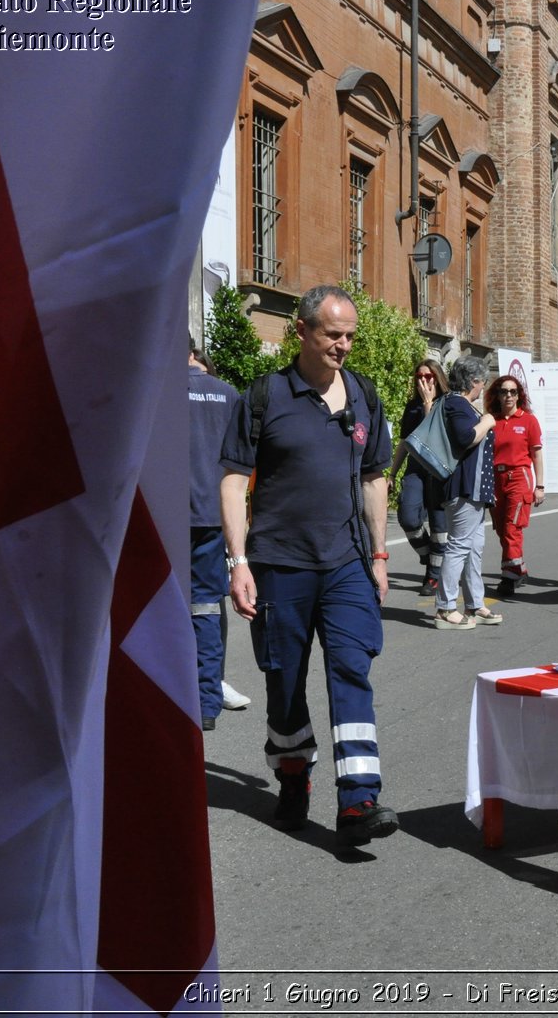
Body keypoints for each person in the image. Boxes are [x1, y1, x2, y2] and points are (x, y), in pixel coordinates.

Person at [218, 284, 398, 846]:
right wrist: (239, 560)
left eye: (350, 336)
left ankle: (358, 799)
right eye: (333, 335)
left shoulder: (365, 395)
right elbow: (231, 479)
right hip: (279, 564)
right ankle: (293, 774)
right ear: (302, 331)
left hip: (346, 561)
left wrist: (379, 552)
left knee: (351, 668)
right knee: (284, 682)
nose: (344, 346)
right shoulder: (265, 396)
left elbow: (374, 477)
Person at [188, 342, 248, 731]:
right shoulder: (228, 394)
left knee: (165, 608)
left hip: (168, 516)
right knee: (207, 608)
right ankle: (207, 701)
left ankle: (173, 692)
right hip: (214, 514)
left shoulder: (159, 392)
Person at [433, 357, 500, 629]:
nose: (483, 388)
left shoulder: (458, 404)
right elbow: (464, 438)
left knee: (474, 548)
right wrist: (487, 422)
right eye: (482, 382)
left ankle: (474, 603)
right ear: (474, 382)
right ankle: (445, 608)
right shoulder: (457, 404)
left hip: (472, 489)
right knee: (459, 546)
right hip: (464, 488)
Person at [388, 359, 449, 596]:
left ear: (438, 377)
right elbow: (405, 442)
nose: (423, 381)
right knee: (408, 517)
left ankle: (433, 577)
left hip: (440, 472)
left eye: (429, 376)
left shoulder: (447, 403)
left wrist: (428, 404)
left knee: (439, 526)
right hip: (416, 468)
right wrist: (392, 473)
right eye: (419, 377)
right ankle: (428, 556)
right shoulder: (412, 406)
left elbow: (435, 434)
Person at [484, 373, 544, 597]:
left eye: (513, 391)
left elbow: (536, 455)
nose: (508, 395)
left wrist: (540, 486)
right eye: (503, 391)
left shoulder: (528, 420)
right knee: (501, 530)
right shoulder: (492, 420)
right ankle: (519, 567)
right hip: (495, 479)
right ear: (497, 395)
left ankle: (509, 578)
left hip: (519, 477)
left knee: (512, 528)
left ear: (519, 395)